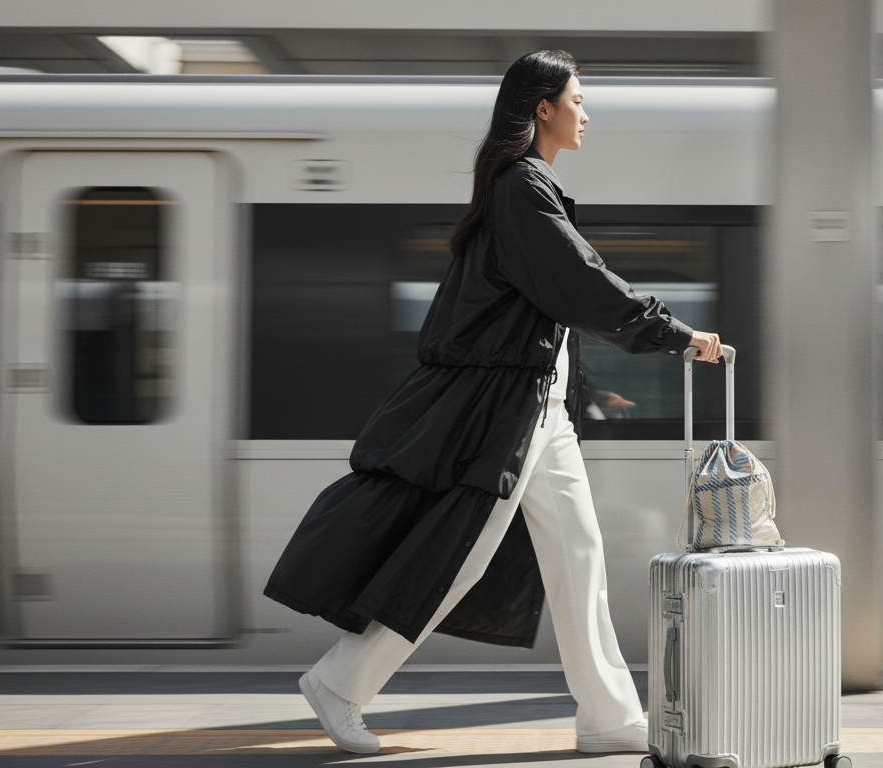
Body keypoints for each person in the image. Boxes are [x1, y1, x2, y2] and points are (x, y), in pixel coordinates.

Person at [263, 49, 724, 756]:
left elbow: (537, 314)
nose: (586, 113)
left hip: (543, 409)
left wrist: (589, 390)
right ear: (542, 108)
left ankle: (607, 717)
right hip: (506, 413)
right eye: (577, 99)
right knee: (461, 557)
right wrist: (676, 335)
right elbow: (583, 283)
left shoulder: (524, 189)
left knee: (579, 554)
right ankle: (340, 683)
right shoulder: (521, 188)